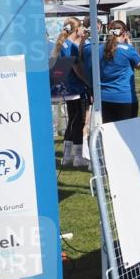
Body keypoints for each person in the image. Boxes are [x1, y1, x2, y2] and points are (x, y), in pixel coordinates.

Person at [81, 20, 140, 122]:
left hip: (103, 97)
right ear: (125, 34)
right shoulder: (127, 49)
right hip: (124, 97)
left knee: (108, 129)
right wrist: (130, 46)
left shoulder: (98, 49)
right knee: (127, 129)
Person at [52, 17, 89, 167]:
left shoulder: (62, 44)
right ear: (76, 29)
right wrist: (88, 82)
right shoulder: (71, 47)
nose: (83, 29)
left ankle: (67, 156)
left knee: (72, 121)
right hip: (75, 89)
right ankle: (78, 157)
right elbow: (77, 69)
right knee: (78, 121)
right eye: (81, 27)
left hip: (68, 89)